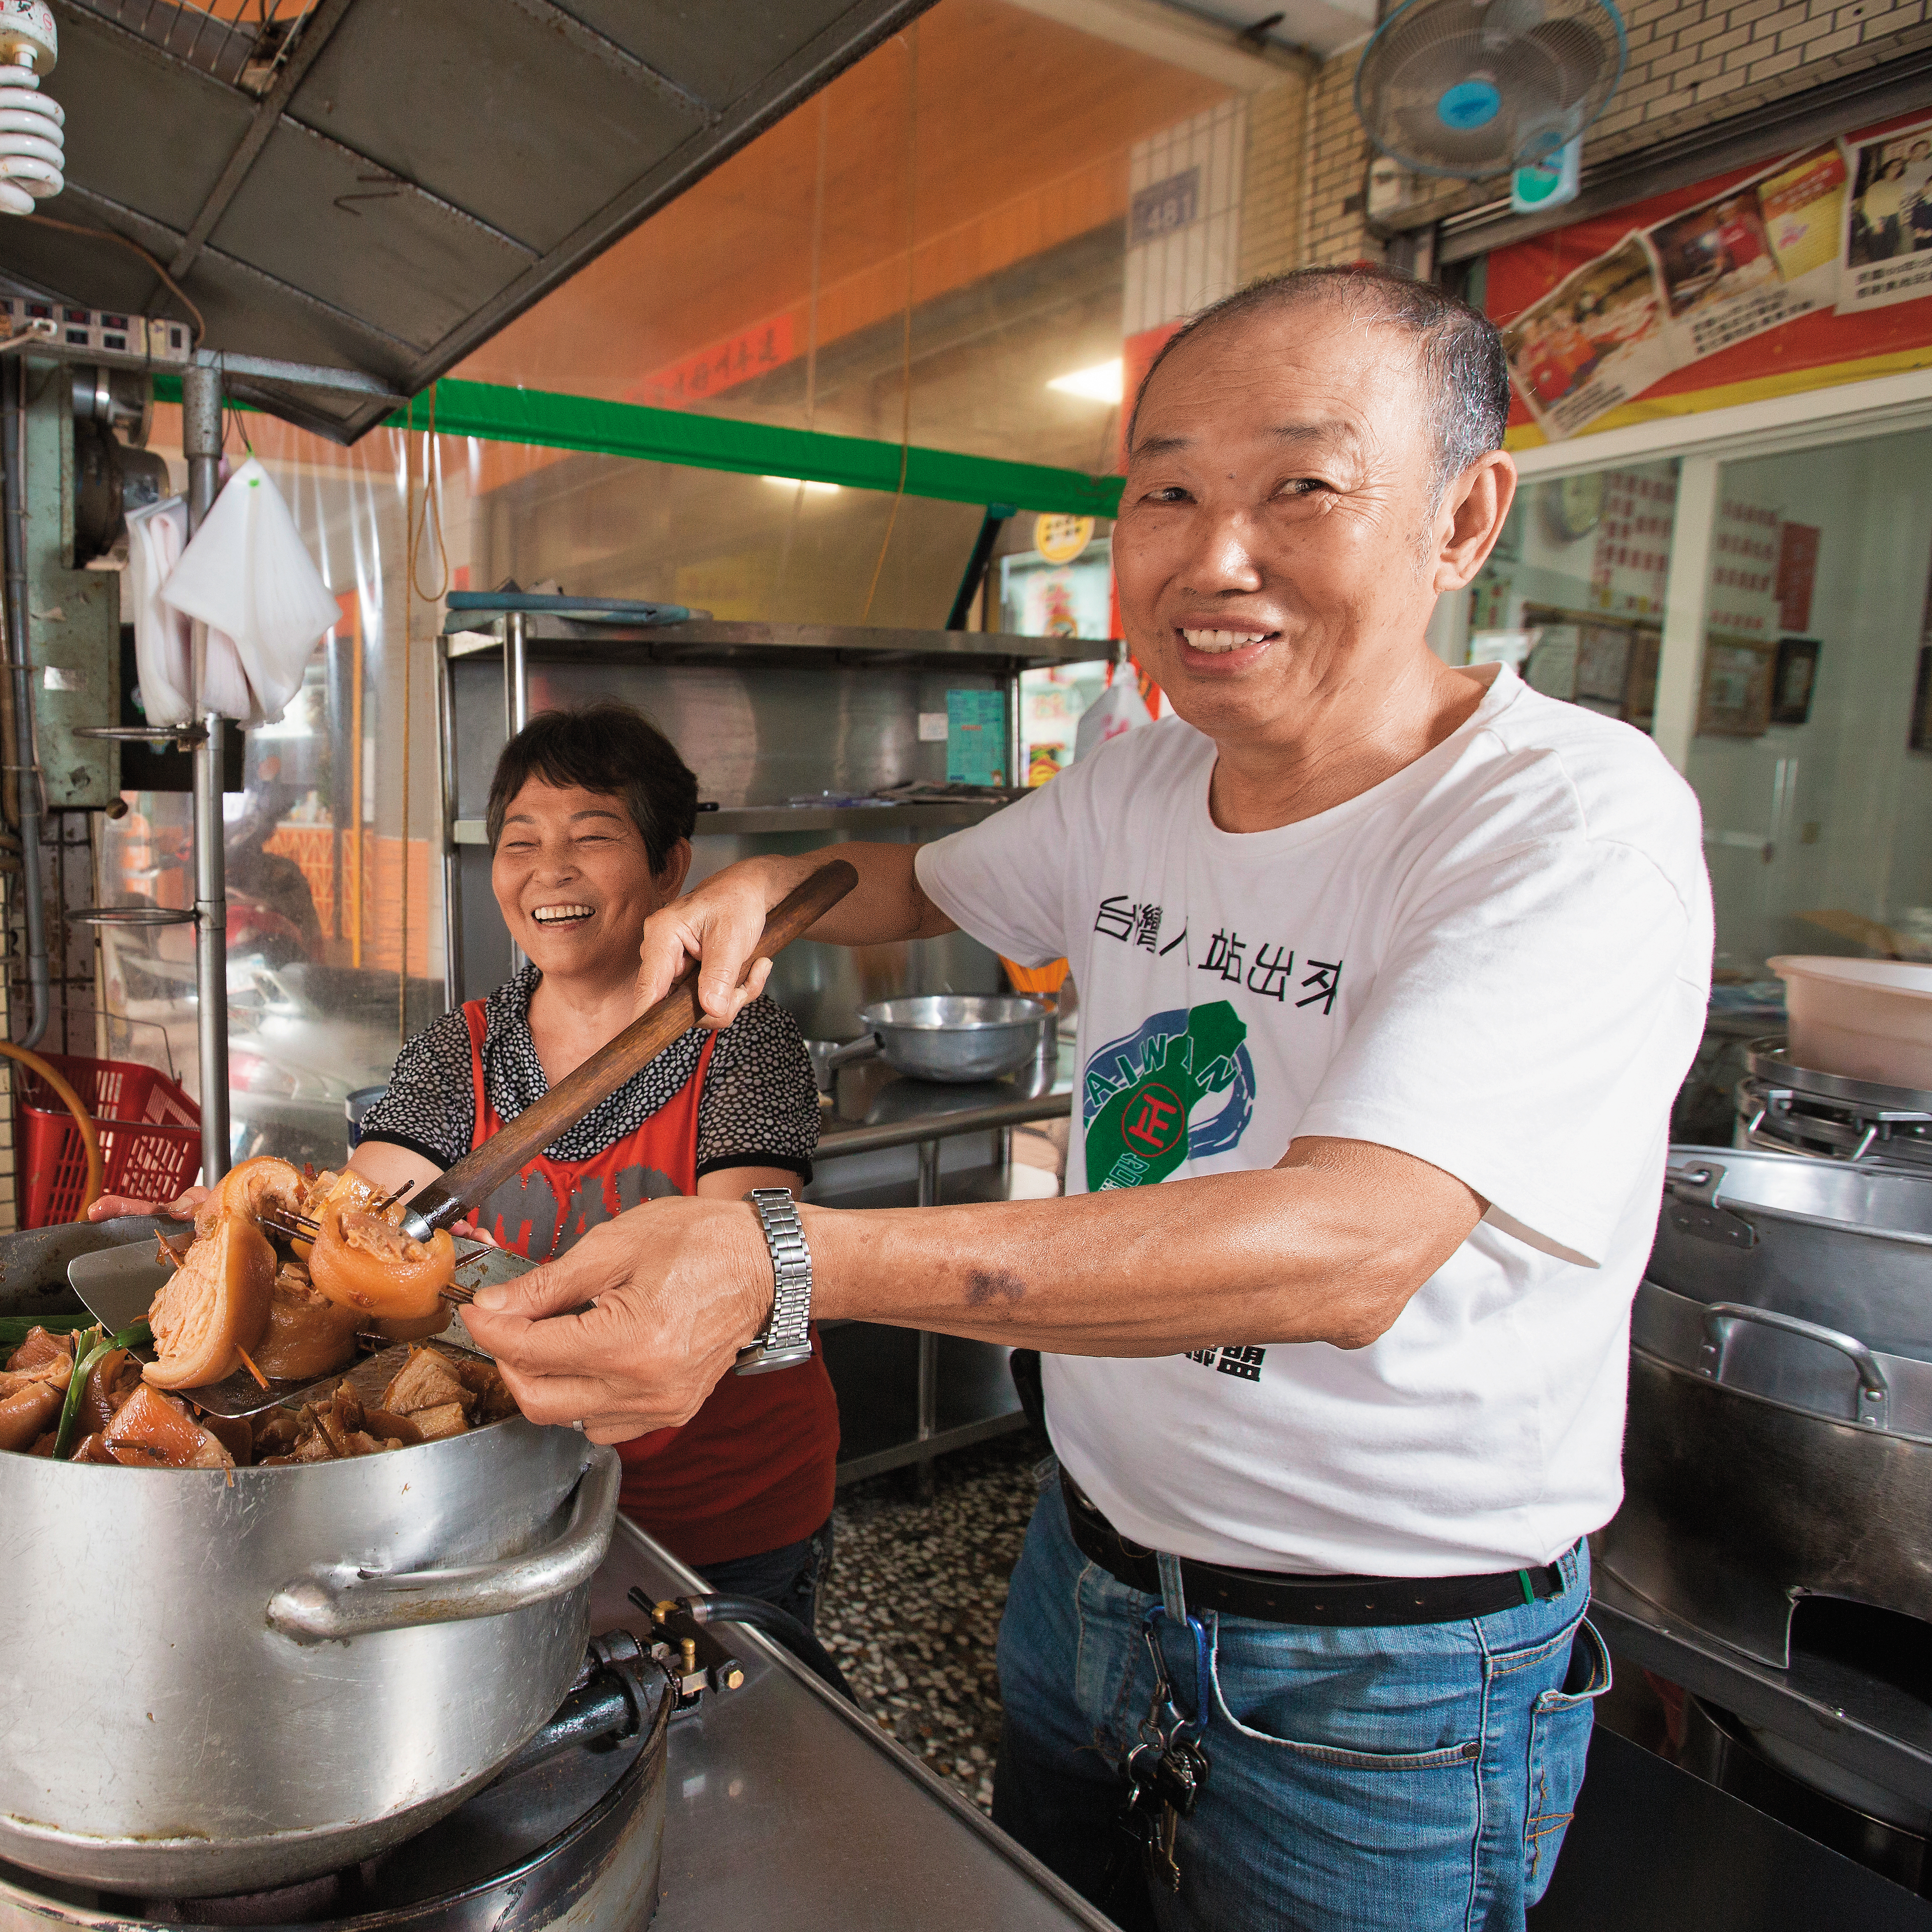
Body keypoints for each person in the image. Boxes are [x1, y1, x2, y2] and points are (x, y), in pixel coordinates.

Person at [461, 267, 1710, 1932]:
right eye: (1167, 494)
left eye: (1302, 487)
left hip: (1384, 1669)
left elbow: (1348, 1248)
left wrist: (783, 1260)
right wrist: (774, 885)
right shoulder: (1146, 780)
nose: (1215, 557)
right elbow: (914, 881)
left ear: (1465, 519)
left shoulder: (1566, 826)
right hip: (1090, 1566)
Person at [92, 702, 842, 1640]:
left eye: (593, 836)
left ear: (670, 866)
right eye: (520, 842)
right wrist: (239, 1233)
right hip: (519, 1493)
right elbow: (367, 1213)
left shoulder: (741, 1040)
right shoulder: (465, 1048)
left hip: (717, 1510)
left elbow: (745, 1266)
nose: (549, 870)